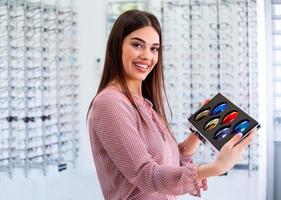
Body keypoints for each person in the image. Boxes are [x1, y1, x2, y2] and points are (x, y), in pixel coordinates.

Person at [87, 9, 256, 200]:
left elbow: (171, 162)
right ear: (117, 46)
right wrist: (217, 168)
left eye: (154, 48)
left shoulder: (145, 104)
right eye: (137, 45)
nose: (147, 56)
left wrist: (197, 134)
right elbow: (146, 176)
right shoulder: (110, 103)